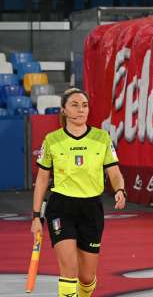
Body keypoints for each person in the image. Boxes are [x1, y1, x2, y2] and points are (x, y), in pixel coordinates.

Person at [30, 88, 126, 297]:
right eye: (74, 105)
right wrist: (36, 216)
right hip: (61, 208)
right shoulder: (52, 140)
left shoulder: (102, 138)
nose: (81, 109)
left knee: (87, 277)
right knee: (69, 270)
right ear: (63, 110)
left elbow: (114, 171)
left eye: (84, 105)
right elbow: (42, 179)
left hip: (91, 208)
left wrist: (120, 189)